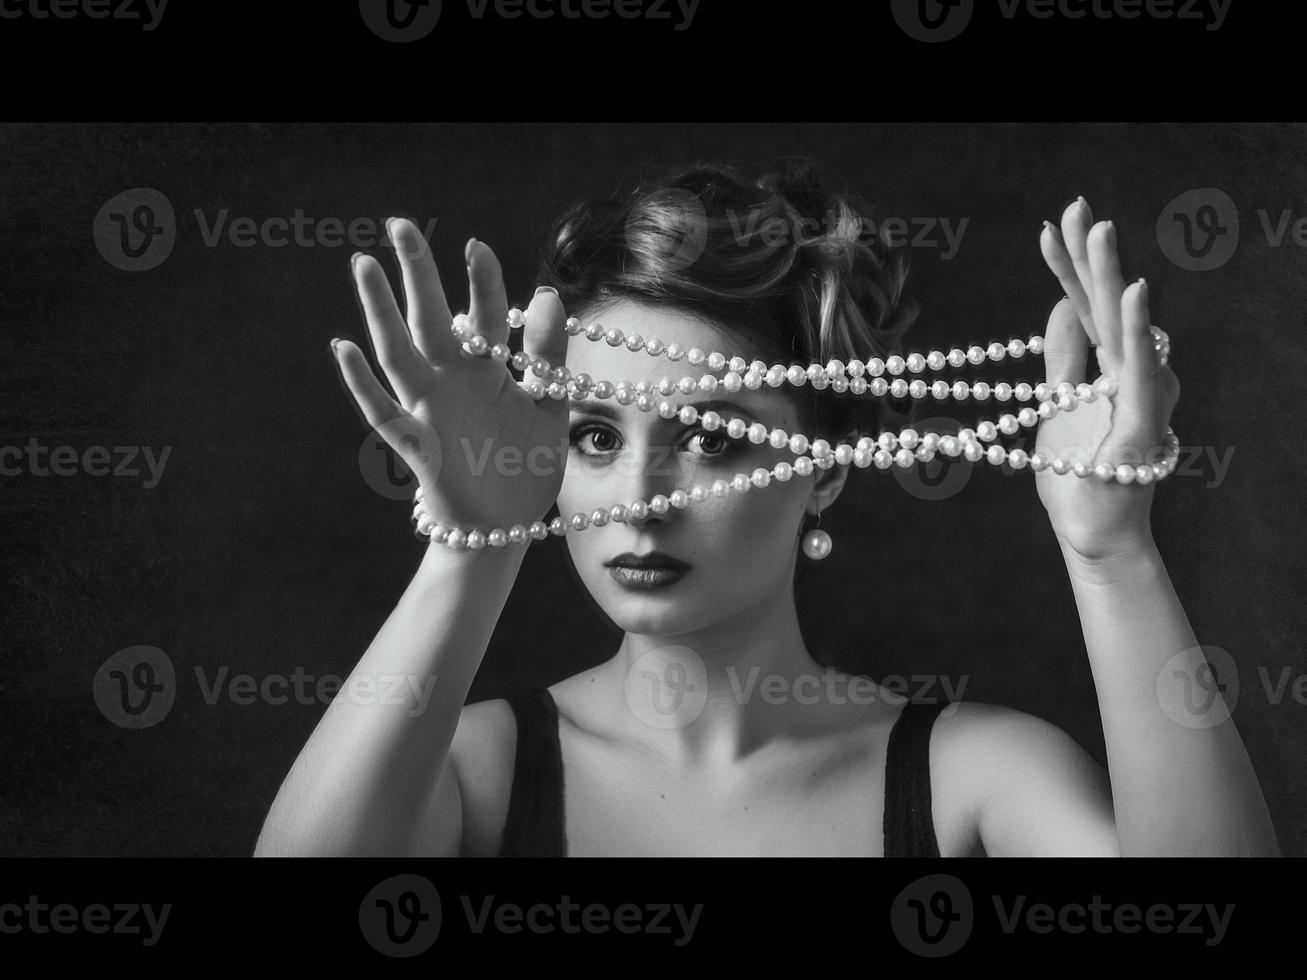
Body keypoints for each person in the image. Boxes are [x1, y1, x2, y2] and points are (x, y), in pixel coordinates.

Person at [254, 162, 1279, 857]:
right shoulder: (477, 766)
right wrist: (468, 550)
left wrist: (1112, 555)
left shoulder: (973, 773)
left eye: (712, 435)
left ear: (824, 470)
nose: (640, 501)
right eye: (592, 437)